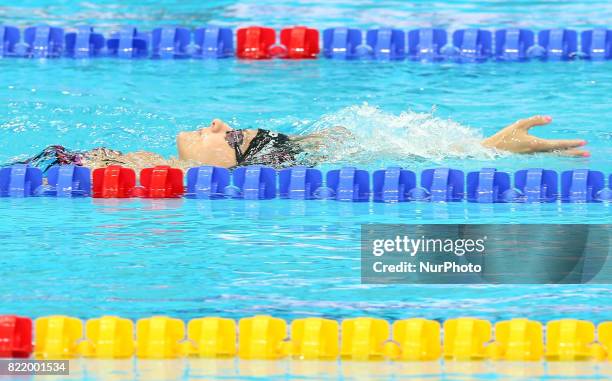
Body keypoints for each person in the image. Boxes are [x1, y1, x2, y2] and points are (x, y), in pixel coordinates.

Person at [5, 115, 588, 173]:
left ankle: (507, 147)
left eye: (228, 135)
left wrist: (492, 149)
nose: (213, 122)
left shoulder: (182, 180)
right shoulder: (158, 167)